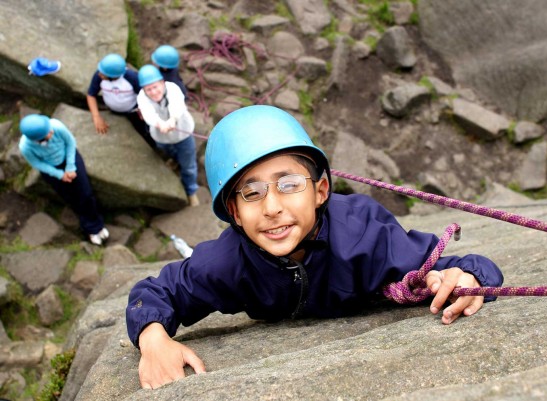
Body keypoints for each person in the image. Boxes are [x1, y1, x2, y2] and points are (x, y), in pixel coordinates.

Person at [126, 105, 504, 389]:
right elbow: (156, 292)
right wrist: (153, 339)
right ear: (234, 213)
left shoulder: (363, 235)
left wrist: (467, 277)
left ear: (321, 190)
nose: (273, 207)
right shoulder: (228, 263)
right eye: (251, 192)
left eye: (289, 184)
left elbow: (453, 266)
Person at [19, 114, 109, 245]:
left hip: (69, 159)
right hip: (52, 169)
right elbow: (37, 164)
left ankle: (97, 225)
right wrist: (60, 175)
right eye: (47, 133)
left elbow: (70, 142)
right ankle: (91, 229)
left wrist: (70, 167)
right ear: (37, 140)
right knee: (73, 199)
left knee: (86, 194)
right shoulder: (25, 147)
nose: (51, 132)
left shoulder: (55, 125)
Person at [136, 64, 199, 206]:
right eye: (149, 89)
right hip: (161, 136)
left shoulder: (173, 88)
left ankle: (191, 191)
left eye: (155, 87)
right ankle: (175, 159)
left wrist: (172, 120)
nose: (153, 92)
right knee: (167, 150)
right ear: (144, 89)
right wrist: (159, 123)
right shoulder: (142, 97)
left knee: (188, 165)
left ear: (162, 83)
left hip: (183, 133)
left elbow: (177, 105)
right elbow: (147, 113)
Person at [86, 53, 155, 149]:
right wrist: (96, 116)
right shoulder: (99, 76)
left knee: (144, 131)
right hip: (112, 110)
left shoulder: (132, 78)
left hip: (133, 111)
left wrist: (144, 110)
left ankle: (153, 146)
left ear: (113, 76)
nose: (99, 74)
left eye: (103, 74)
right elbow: (91, 95)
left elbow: (145, 95)